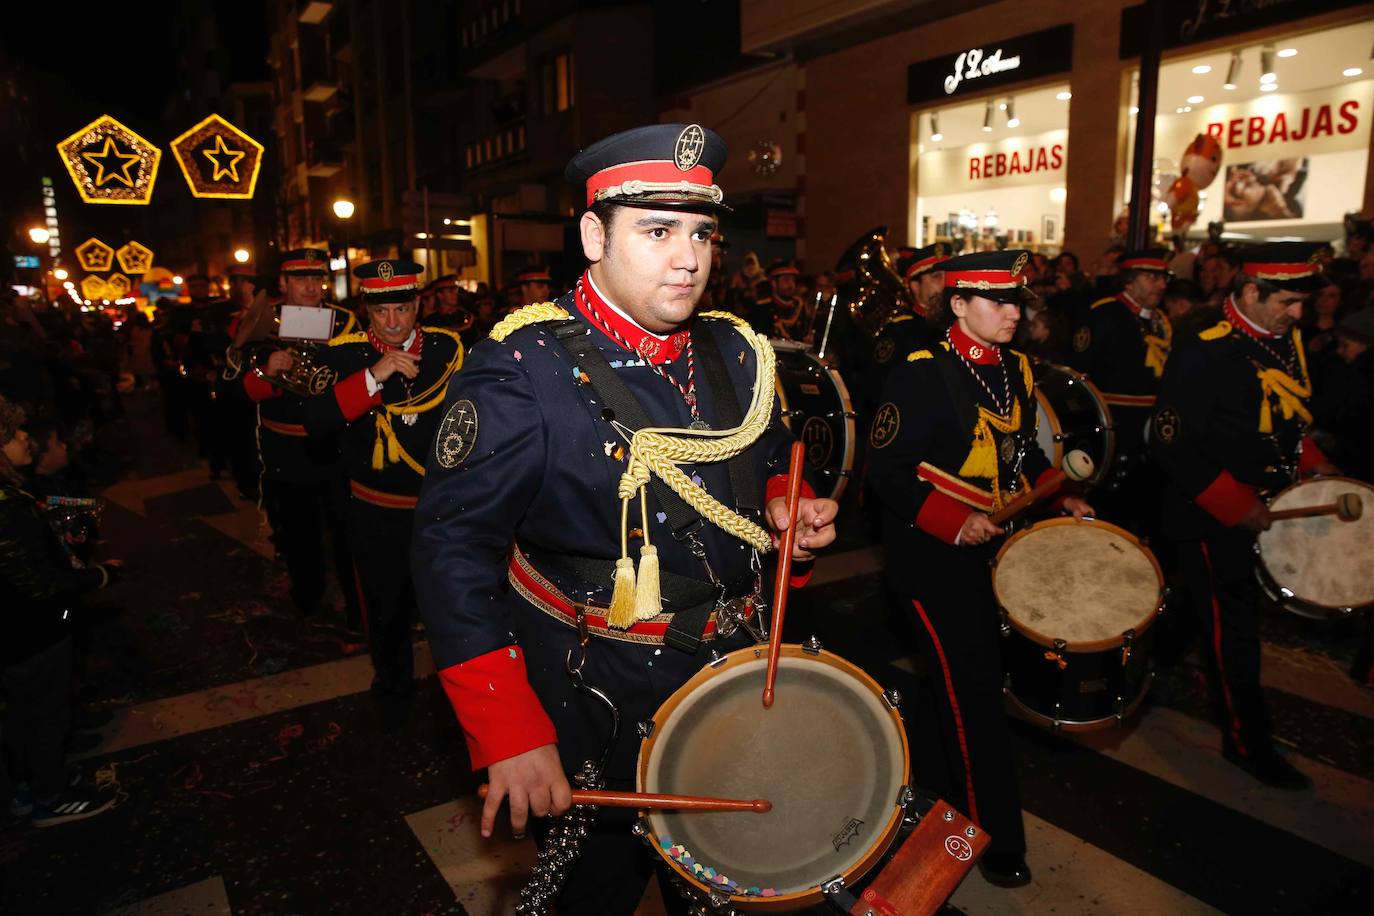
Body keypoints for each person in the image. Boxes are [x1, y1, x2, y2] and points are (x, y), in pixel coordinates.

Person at [412, 123, 838, 914]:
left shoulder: (733, 351)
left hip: (732, 677)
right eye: (657, 231)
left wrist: (786, 503)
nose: (689, 258)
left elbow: (769, 450)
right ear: (592, 236)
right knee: (593, 897)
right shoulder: (521, 369)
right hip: (592, 698)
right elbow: (451, 552)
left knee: (729, 886)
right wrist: (508, 730)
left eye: (702, 232)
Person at [866, 250, 1092, 889]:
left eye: (1018, 302)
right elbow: (885, 473)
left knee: (967, 691)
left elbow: (1019, 456)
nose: (1013, 314)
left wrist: (1058, 493)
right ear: (958, 305)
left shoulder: (1015, 369)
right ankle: (991, 834)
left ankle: (940, 790)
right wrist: (952, 520)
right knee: (973, 698)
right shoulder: (922, 371)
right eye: (997, 301)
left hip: (995, 551)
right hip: (929, 558)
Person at [1150, 242, 1340, 790]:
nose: (1298, 314)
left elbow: (1285, 421)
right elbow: (1172, 443)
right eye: (1287, 302)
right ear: (1251, 292)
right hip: (1210, 511)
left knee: (1200, 603)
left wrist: (1316, 466)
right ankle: (1246, 740)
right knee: (1234, 628)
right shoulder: (1205, 346)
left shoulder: (1283, 337)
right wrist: (1237, 506)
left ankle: (1149, 661)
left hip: (1265, 502)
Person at [304, 260, 464, 724]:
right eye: (381, 312)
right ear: (366, 312)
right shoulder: (343, 354)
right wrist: (374, 377)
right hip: (376, 513)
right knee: (385, 608)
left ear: (418, 305)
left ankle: (460, 695)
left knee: (450, 607)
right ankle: (393, 689)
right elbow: (314, 422)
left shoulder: (446, 348)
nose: (393, 322)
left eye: (402, 309)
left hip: (438, 509)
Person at [0, 394, 122, 827]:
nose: (24, 438)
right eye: (12, 433)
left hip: (19, 632)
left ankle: (28, 784)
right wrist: (95, 577)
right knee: (42, 711)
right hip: (31, 632)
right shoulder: (6, 506)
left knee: (22, 712)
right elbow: (37, 584)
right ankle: (51, 796)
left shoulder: (12, 495)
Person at [239, 249, 361, 623]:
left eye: (316, 278)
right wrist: (266, 371)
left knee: (347, 531)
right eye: (301, 279)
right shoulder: (264, 322)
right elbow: (242, 389)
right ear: (283, 283)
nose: (311, 287)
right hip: (286, 448)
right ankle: (308, 598)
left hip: (336, 443)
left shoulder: (344, 322)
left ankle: (358, 607)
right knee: (298, 532)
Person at [1067, 249, 1173, 536]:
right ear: (1129, 280)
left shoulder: (1161, 320)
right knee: (1109, 509)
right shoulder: (1105, 314)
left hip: (1149, 434)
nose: (1161, 285)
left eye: (1163, 278)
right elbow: (1078, 375)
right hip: (1112, 427)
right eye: (1152, 278)